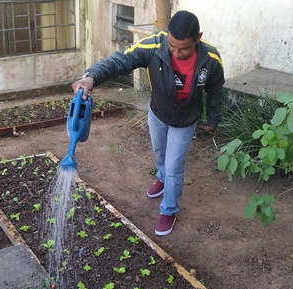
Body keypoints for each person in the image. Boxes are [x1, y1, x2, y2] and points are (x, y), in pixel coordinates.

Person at [71, 10, 225, 236]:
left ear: (198, 38)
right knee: (160, 153)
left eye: (184, 48)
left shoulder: (210, 59)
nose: (176, 52)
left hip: (185, 120)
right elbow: (120, 60)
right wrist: (91, 77)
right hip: (158, 113)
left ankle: (169, 209)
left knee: (174, 167)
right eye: (172, 46)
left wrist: (213, 119)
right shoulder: (154, 46)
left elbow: (215, 91)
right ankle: (161, 179)